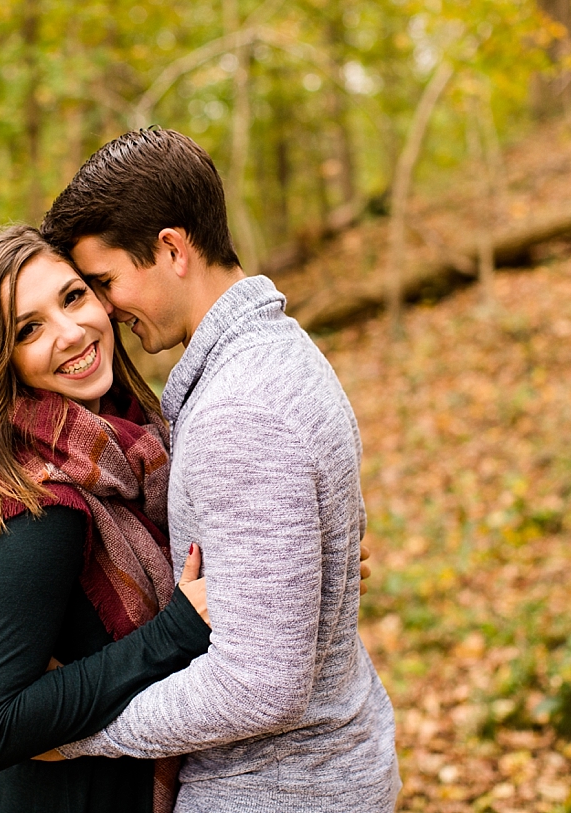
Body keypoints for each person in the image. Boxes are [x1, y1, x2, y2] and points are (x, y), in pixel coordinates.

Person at [39, 128, 400, 812]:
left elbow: (259, 682)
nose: (105, 311)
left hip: (278, 789)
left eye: (107, 282)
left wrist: (79, 731)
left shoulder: (241, 407)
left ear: (173, 249)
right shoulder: (274, 355)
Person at [0, 224, 214, 813]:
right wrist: (178, 630)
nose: (70, 332)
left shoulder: (123, 446)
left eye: (74, 297)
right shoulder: (42, 508)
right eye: (28, 329)